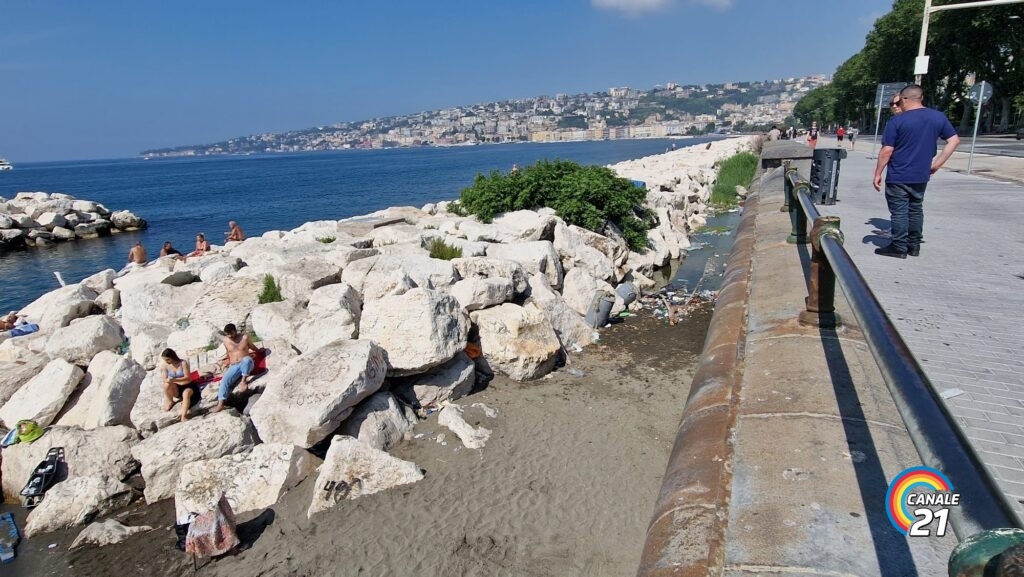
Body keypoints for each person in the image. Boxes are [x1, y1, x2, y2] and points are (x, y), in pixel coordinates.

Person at [872, 84, 960, 259]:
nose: (897, 106)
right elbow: (954, 141)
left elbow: (887, 150)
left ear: (905, 99)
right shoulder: (938, 117)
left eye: (897, 102)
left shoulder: (897, 121)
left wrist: (877, 173)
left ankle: (898, 247)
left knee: (899, 212)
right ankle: (914, 246)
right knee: (916, 209)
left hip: (899, 174)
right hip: (921, 175)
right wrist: (936, 165)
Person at [215, 323, 260, 412]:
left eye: (231, 333)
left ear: (235, 331)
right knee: (224, 380)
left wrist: (259, 351)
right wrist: (227, 362)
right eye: (227, 334)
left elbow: (252, 346)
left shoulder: (244, 338)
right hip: (234, 366)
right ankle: (221, 403)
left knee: (247, 359)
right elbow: (229, 352)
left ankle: (243, 381)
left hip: (246, 363)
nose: (229, 336)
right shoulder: (226, 341)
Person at [160, 348, 199, 422]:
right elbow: (164, 378)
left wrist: (174, 380)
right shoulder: (165, 365)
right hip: (177, 387)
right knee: (166, 385)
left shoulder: (183, 363)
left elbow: (187, 377)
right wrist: (169, 381)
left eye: (168, 359)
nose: (166, 361)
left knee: (186, 393)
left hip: (188, 386)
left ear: (172, 357)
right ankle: (170, 401)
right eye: (165, 360)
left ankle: (183, 416)